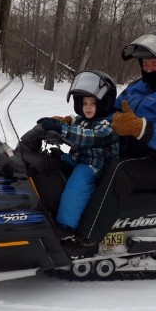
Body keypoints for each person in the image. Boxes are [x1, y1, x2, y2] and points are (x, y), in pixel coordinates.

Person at [62, 30, 156, 258]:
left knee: (120, 171)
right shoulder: (138, 86)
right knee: (83, 160)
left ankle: (87, 238)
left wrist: (141, 128)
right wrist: (74, 123)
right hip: (132, 153)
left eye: (154, 64)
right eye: (144, 64)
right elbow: (110, 113)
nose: (148, 69)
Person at [37, 71, 120, 237]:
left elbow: (89, 137)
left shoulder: (110, 124)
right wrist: (56, 123)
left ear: (104, 103)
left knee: (78, 181)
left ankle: (66, 225)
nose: (87, 107)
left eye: (93, 103)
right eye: (84, 103)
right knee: (54, 162)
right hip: (80, 158)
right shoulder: (84, 119)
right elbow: (75, 123)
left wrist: (63, 129)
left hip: (97, 165)